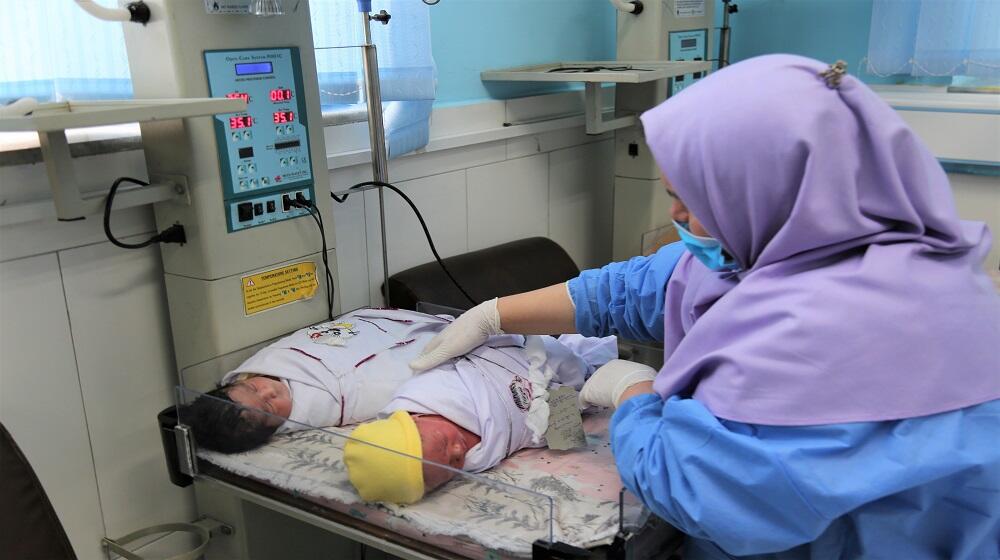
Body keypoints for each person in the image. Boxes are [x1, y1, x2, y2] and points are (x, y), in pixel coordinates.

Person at [408, 54, 1000, 559]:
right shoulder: (780, 242)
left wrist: (634, 396)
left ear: (764, 192)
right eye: (671, 195)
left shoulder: (838, 327)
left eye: (693, 201)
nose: (677, 219)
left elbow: (702, 489)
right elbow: (634, 288)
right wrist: (491, 314)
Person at [181, 308, 615, 456]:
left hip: (478, 356)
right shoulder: (480, 448)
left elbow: (350, 334)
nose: (269, 391)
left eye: (256, 386)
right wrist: (563, 411)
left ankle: (588, 369)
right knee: (561, 387)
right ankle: (591, 375)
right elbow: (540, 433)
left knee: (554, 359)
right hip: (512, 384)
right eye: (269, 406)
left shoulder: (277, 363)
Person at [343, 333, 615, 503]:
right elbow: (515, 439)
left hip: (513, 364)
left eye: (443, 445)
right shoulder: (476, 459)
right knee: (574, 414)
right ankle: (589, 379)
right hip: (538, 408)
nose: (459, 449)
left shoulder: (431, 390)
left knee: (567, 361)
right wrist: (554, 422)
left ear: (413, 419)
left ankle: (586, 364)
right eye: (452, 466)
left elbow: (472, 362)